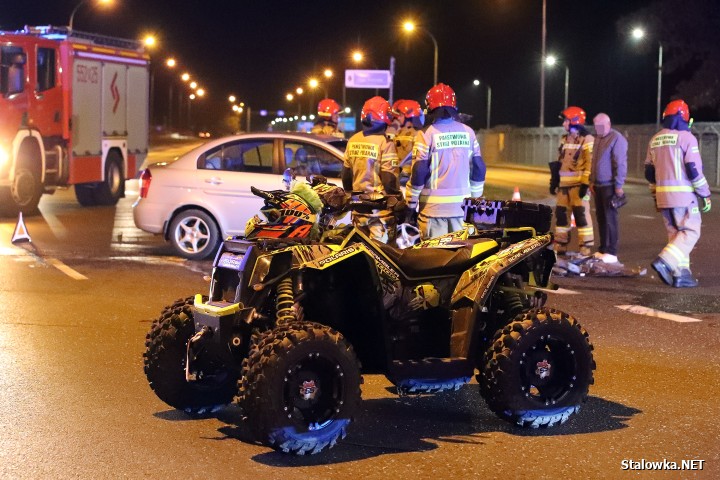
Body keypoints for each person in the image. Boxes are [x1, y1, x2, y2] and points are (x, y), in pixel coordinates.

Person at [405, 83, 486, 239]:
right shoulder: (468, 132)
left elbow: (419, 171)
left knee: (434, 259)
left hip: (433, 212)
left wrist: (411, 204)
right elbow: (479, 168)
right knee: (462, 258)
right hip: (462, 211)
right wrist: (474, 202)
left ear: (429, 107)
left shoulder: (426, 134)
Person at [645, 100, 711, 288]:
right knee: (691, 231)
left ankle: (681, 273)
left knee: (676, 234)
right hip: (683, 196)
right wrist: (705, 193)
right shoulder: (686, 138)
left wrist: (655, 195)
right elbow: (694, 170)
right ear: (684, 117)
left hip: (663, 196)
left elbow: (649, 172)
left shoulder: (655, 139)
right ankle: (665, 261)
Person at [342, 96, 400, 243]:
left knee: (360, 254)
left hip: (358, 212)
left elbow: (346, 177)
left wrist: (354, 195)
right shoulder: (385, 143)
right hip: (379, 214)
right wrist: (398, 199)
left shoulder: (353, 140)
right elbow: (389, 179)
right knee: (382, 256)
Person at [549, 106, 595, 257]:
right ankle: (560, 244)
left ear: (575, 121)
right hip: (564, 186)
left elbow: (590, 163)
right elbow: (560, 161)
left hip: (578, 186)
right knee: (561, 215)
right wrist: (554, 180)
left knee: (581, 215)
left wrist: (585, 183)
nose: (563, 124)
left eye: (566, 121)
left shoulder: (587, 139)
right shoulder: (564, 139)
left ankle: (585, 247)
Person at [590, 113, 628, 264]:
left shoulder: (617, 139)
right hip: (598, 185)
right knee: (601, 218)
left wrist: (619, 185)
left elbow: (620, 163)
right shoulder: (598, 138)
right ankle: (603, 249)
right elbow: (594, 162)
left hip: (609, 185)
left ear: (608, 124)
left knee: (610, 218)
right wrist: (591, 181)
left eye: (601, 126)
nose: (598, 129)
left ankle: (612, 251)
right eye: (596, 126)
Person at [392, 99, 424, 180]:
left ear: (409, 117)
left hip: (409, 178)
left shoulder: (418, 135)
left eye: (401, 115)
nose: (398, 118)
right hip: (399, 177)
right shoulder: (399, 133)